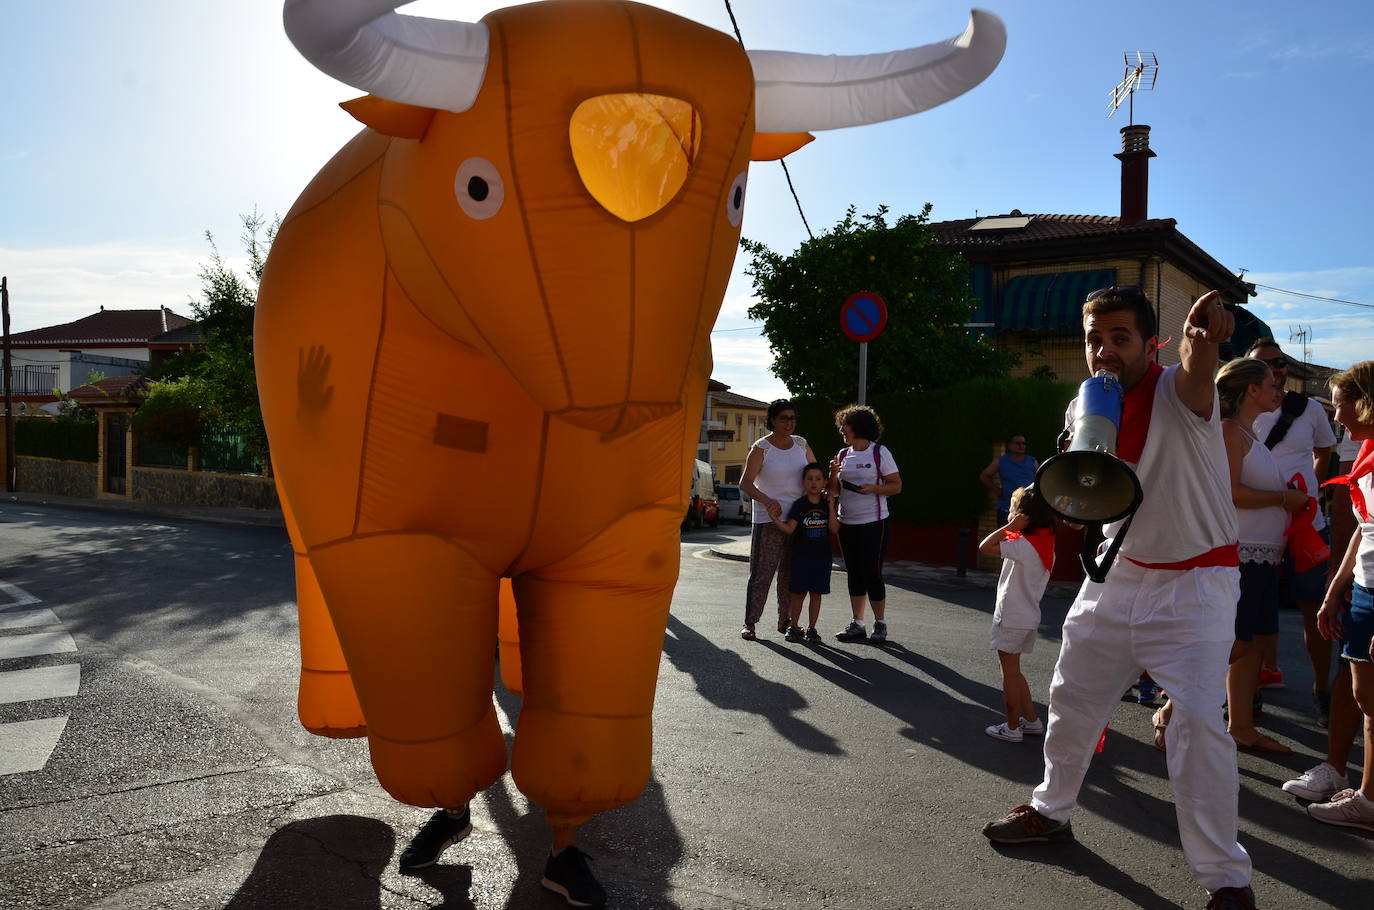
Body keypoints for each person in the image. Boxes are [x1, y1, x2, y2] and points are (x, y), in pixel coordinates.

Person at [981, 286, 1259, 910]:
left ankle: (1226, 880)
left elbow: (1197, 369)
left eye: (1120, 338)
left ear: (1149, 342)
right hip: (1120, 574)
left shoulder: (1178, 390)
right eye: (1093, 340)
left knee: (1195, 724)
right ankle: (1052, 811)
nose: (1105, 352)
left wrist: (1203, 336)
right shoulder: (1086, 405)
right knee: (1072, 697)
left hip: (1196, 582)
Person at [1211, 357, 1306, 753]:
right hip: (1241, 555)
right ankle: (1173, 712)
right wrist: (1285, 497)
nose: (1278, 391)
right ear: (1250, 390)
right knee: (1232, 642)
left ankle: (1241, 725)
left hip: (1263, 557)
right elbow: (1231, 492)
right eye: (1271, 384)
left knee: (1247, 644)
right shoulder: (1230, 432)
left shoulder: (1249, 434)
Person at [1246, 340, 1336, 723]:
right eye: (1264, 365)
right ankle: (1250, 689)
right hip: (1256, 528)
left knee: (1312, 608)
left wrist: (1309, 490)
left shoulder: (1310, 409)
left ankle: (1322, 689)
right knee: (1252, 611)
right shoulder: (1239, 410)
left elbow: (1324, 451)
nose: (1275, 370)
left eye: (1279, 362)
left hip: (1305, 527)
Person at [1302, 362, 1374, 831]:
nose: (1336, 412)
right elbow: (1365, 530)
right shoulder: (1367, 449)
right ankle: (1368, 792)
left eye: (1341, 401)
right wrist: (1336, 589)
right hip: (1366, 587)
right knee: (1365, 696)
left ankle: (1368, 802)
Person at [978, 484, 1055, 743]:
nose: (1008, 513)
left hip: (1011, 617)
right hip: (1028, 617)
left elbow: (985, 546)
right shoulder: (1045, 542)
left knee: (1008, 673)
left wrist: (1010, 528)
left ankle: (1012, 728)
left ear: (1024, 518)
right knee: (1015, 671)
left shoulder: (1022, 545)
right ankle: (1031, 721)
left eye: (1013, 510)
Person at [739, 400, 817, 640]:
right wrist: (767, 500)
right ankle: (750, 623)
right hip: (768, 520)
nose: (789, 423)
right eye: (784, 418)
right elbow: (745, 483)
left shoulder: (801, 444)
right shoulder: (762, 448)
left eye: (792, 418)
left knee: (791, 574)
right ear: (772, 419)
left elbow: (814, 474)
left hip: (798, 520)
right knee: (762, 573)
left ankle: (787, 621)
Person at [829, 405, 903, 643]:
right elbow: (833, 490)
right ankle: (857, 624)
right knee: (854, 573)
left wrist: (874, 489)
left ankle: (880, 624)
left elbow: (896, 485)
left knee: (872, 573)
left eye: (845, 424)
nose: (841, 429)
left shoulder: (879, 453)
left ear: (858, 427)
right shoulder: (841, 455)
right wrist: (832, 475)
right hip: (846, 522)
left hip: (874, 522)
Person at [772, 462, 839, 643]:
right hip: (801, 557)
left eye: (818, 479)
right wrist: (775, 519)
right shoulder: (799, 505)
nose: (814, 482)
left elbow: (834, 528)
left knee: (816, 595)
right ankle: (793, 627)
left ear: (824, 482)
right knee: (798, 594)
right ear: (803, 482)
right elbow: (789, 529)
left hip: (822, 559)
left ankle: (812, 629)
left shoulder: (827, 504)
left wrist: (832, 506)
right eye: (809, 479)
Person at [980, 433, 1038, 526]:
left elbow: (1039, 480)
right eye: (1017, 443)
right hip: (1006, 509)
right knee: (1006, 539)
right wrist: (997, 491)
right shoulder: (1001, 461)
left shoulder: (1032, 461)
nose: (1021, 446)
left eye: (1023, 443)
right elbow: (984, 476)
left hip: (1028, 510)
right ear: (1010, 445)